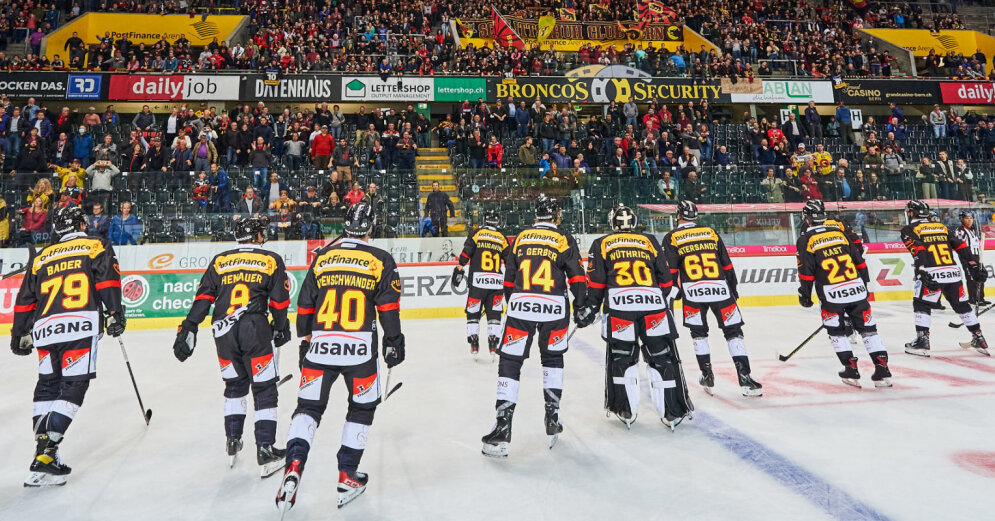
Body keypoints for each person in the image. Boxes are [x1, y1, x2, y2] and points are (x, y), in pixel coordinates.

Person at [276, 201, 404, 513]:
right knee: (361, 409)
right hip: (360, 348)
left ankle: (294, 462)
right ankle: (348, 474)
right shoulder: (380, 259)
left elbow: (304, 306)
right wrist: (394, 342)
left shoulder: (322, 258)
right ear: (371, 228)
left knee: (307, 408)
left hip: (320, 344)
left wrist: (306, 340)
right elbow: (388, 308)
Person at [11, 206, 126, 487]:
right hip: (79, 324)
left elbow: (26, 299)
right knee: (74, 384)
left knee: (48, 385)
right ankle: (48, 450)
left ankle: (44, 456)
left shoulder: (42, 256)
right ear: (80, 224)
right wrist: (115, 314)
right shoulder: (95, 244)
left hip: (45, 328)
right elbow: (107, 281)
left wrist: (18, 333)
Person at [173, 216, 291, 477]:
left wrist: (190, 325)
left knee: (235, 385)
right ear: (258, 236)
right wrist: (282, 327)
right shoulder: (270, 259)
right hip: (254, 329)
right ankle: (265, 448)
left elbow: (204, 296)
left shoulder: (221, 259)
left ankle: (232, 440)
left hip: (222, 330)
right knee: (264, 388)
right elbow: (280, 301)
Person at [481, 196, 591, 458]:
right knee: (552, 358)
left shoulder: (520, 238)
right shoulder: (563, 237)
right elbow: (576, 275)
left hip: (521, 304)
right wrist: (583, 305)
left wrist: (517, 303)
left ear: (535, 216)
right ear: (556, 217)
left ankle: (502, 427)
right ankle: (552, 417)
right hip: (555, 306)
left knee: (510, 361)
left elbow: (508, 280)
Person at [582, 204, 692, 429]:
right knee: (662, 357)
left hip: (619, 307)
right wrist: (658, 298)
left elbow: (595, 283)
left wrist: (590, 308)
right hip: (653, 306)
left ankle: (625, 408)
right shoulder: (649, 241)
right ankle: (672, 411)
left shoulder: (601, 243)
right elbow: (665, 277)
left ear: (613, 222)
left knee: (622, 358)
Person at [663, 201, 762, 397]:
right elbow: (726, 265)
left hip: (693, 292)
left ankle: (707, 375)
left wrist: (673, 297)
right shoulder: (710, 232)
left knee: (698, 334)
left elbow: (671, 272)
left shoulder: (672, 237)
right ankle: (745, 378)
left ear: (678, 215)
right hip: (720, 289)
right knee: (734, 332)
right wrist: (733, 290)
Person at [796, 200, 892, 387]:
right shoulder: (839, 232)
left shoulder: (805, 240)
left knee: (837, 331)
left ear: (807, 219)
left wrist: (805, 295)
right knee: (868, 330)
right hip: (856, 288)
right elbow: (859, 260)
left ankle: (851, 368)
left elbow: (806, 272)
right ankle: (882, 368)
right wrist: (863, 284)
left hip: (831, 293)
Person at [902, 200, 989, 356]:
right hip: (952, 272)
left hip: (931, 271)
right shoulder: (941, 227)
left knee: (921, 304)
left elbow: (919, 250)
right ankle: (978, 336)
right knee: (962, 305)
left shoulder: (910, 229)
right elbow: (961, 246)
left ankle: (922, 340)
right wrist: (974, 266)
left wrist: (921, 270)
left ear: (910, 213)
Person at [453, 210, 510, 356]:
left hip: (478, 283)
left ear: (485, 220)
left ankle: (473, 341)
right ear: (498, 222)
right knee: (495, 314)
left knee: (473, 313)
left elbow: (466, 252)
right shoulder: (502, 238)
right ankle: (493, 342)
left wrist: (460, 265)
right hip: (496, 284)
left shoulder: (477, 234)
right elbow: (510, 262)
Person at [953, 211, 990, 306]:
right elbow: (959, 245)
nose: (970, 220)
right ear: (962, 219)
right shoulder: (960, 231)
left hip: (977, 256)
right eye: (967, 218)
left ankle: (980, 298)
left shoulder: (972, 230)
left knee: (980, 276)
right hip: (967, 257)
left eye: (971, 218)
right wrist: (968, 259)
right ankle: (973, 298)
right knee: (972, 278)